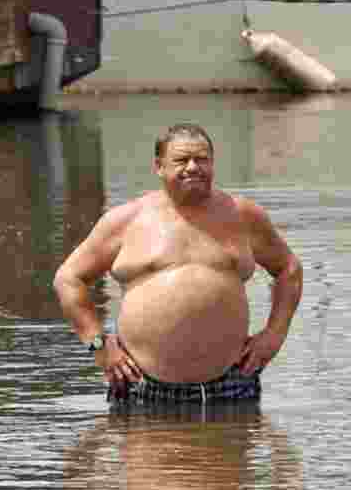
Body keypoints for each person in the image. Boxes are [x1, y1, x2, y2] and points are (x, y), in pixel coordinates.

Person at [53, 122, 302, 402]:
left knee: (235, 444)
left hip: (233, 383)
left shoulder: (243, 215)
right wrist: (99, 345)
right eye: (182, 160)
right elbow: (68, 279)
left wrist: (274, 335)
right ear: (159, 166)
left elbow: (288, 270)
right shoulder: (125, 220)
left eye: (202, 159)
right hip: (141, 385)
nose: (193, 167)